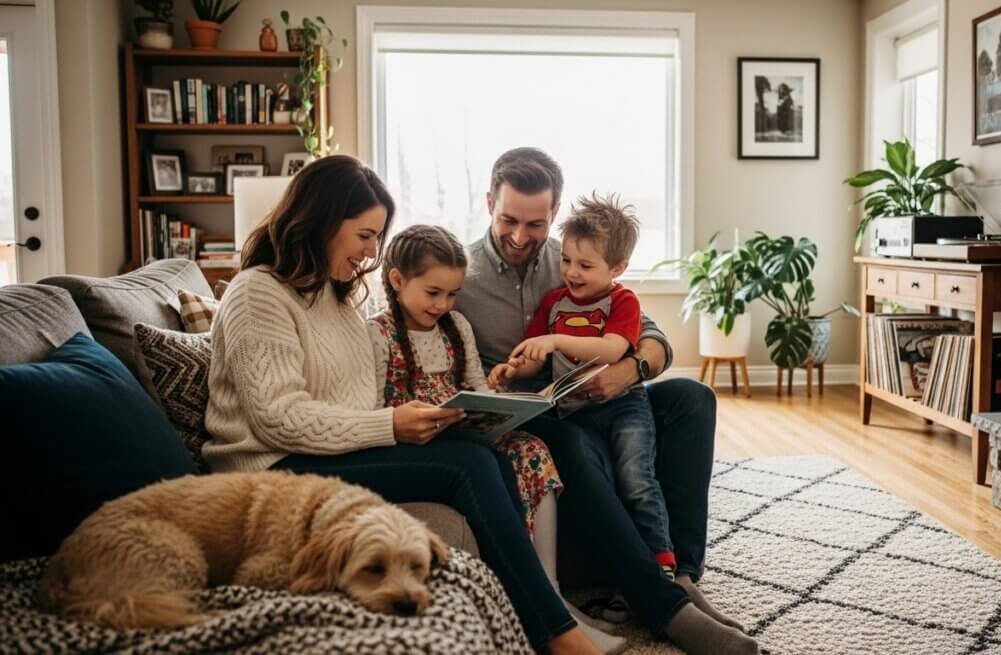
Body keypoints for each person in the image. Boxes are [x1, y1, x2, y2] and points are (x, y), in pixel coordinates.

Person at [202, 154, 601, 655]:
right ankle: (556, 635)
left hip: (330, 454)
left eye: (377, 237)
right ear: (323, 220)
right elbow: (278, 417)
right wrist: (392, 425)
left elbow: (360, 402)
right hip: (273, 467)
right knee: (469, 466)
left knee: (490, 454)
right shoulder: (257, 293)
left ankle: (533, 610)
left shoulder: (336, 298)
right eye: (365, 236)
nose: (372, 252)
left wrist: (434, 421)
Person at [456, 147, 757, 655]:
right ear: (488, 202)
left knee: (691, 397)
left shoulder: (576, 257)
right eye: (509, 219)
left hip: (603, 399)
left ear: (553, 213)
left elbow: (653, 338)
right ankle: (663, 605)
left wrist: (627, 372)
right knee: (567, 435)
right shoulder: (461, 277)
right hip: (538, 420)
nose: (520, 236)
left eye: (535, 223)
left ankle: (681, 572)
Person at [368, 224, 625, 652]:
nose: (443, 305)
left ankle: (550, 587)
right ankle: (537, 606)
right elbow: (375, 406)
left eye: (451, 295)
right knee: (486, 463)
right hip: (417, 440)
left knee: (533, 449)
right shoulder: (377, 334)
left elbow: (476, 386)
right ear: (397, 280)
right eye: (433, 293)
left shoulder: (456, 326)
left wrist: (497, 410)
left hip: (464, 430)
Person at [492, 193, 678, 581]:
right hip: (575, 412)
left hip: (624, 407)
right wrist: (511, 372)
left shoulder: (621, 301)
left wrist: (557, 341)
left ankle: (663, 561)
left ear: (618, 267)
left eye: (585, 265)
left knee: (636, 477)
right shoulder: (555, 303)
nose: (572, 272)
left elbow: (614, 350)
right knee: (602, 482)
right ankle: (620, 568)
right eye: (567, 261)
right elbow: (534, 355)